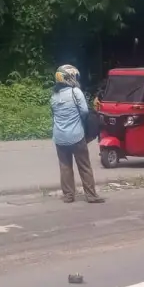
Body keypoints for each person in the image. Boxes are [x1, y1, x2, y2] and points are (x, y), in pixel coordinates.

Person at [51, 64, 104, 204]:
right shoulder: (76, 92)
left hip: (59, 137)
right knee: (84, 166)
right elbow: (85, 112)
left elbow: (54, 114)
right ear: (69, 78)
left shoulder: (54, 96)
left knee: (65, 166)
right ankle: (91, 196)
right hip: (76, 136)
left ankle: (68, 196)